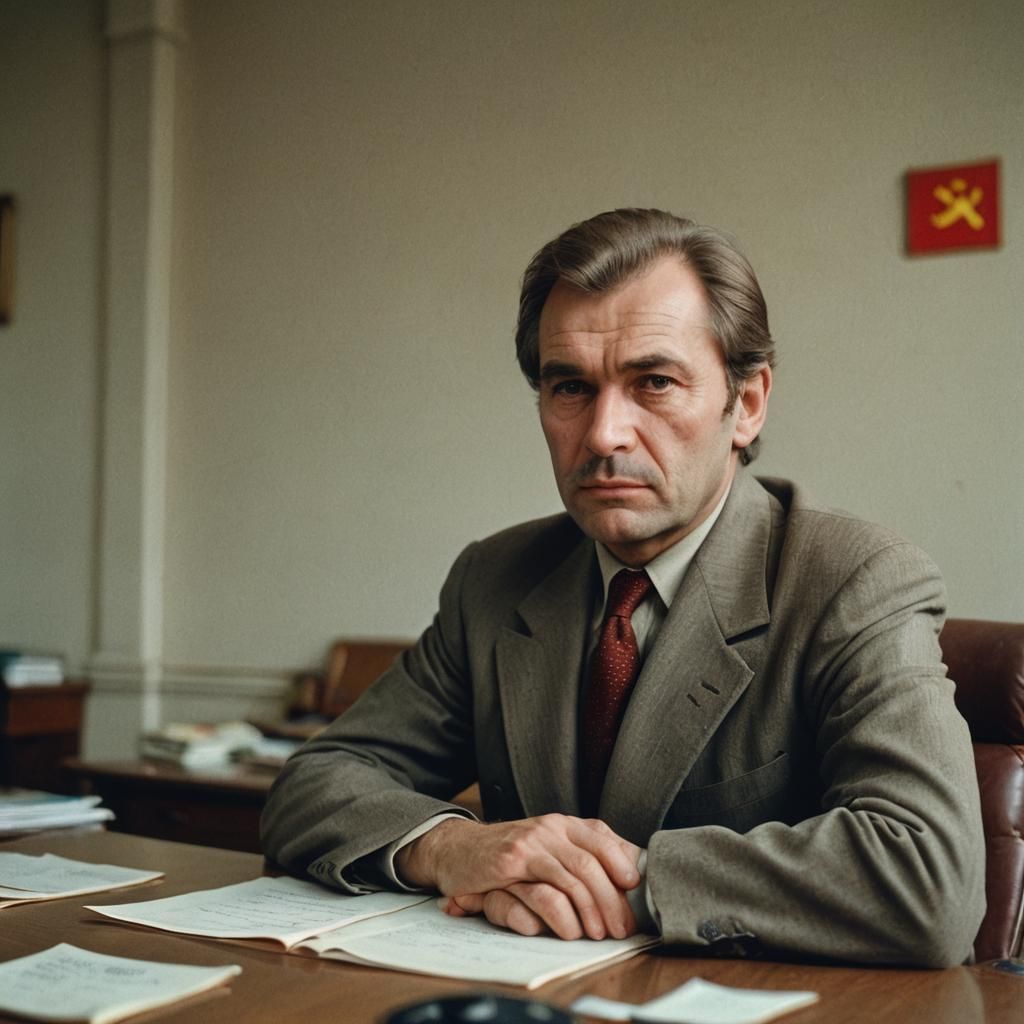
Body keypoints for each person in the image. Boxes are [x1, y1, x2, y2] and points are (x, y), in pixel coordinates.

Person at [261, 208, 985, 967]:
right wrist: (454, 847)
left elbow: (927, 877)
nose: (604, 433)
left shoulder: (854, 577)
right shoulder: (496, 579)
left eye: (655, 382)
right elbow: (313, 784)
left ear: (746, 404)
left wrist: (616, 882)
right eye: (570, 386)